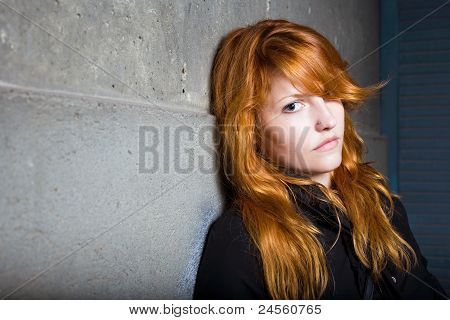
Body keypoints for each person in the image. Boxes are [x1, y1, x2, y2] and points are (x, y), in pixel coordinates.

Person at [193, 19, 448, 300]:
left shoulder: (383, 206)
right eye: (293, 106)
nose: (327, 120)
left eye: (328, 93)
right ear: (251, 131)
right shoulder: (242, 242)